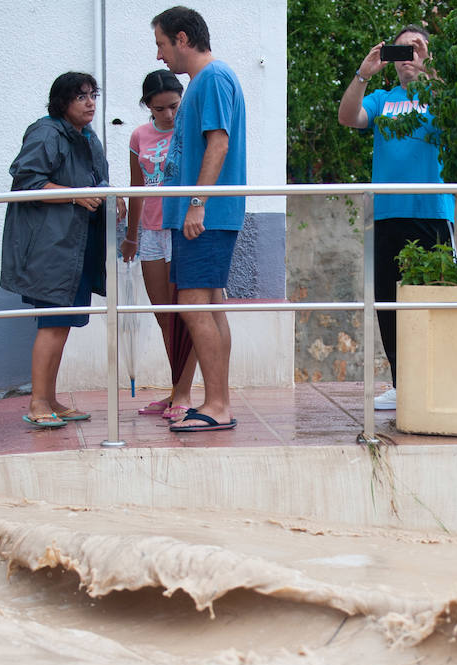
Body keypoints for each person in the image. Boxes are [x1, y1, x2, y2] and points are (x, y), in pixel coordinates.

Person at [337, 26, 455, 411]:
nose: (408, 55)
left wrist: (428, 68)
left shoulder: (439, 95)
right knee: (387, 302)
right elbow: (347, 116)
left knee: (435, 300)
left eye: (416, 48)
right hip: (386, 214)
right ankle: (401, 384)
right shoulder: (383, 99)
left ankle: (438, 382)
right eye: (402, 48)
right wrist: (363, 73)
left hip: (431, 213)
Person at [1, 71, 119, 428]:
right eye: (81, 97)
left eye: (92, 96)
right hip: (52, 247)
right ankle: (38, 402)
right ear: (62, 102)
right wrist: (75, 194)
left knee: (63, 323)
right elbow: (27, 180)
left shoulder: (87, 136)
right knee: (52, 323)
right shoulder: (46, 131)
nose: (90, 103)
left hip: (77, 245)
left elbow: (96, 180)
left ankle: (50, 398)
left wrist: (113, 196)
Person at [152, 6, 247, 433]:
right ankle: (217, 400)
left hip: (205, 216)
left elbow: (219, 144)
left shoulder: (211, 78)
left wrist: (196, 202)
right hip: (205, 214)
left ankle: (217, 404)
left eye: (162, 44)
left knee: (193, 305)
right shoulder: (204, 81)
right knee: (209, 305)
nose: (160, 56)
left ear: (183, 38)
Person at [121, 69, 197, 422]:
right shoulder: (139, 136)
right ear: (147, 107)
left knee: (189, 315)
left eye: (174, 106)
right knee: (164, 317)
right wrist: (130, 235)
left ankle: (184, 393)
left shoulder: (191, 130)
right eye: (159, 108)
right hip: (150, 232)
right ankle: (173, 391)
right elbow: (136, 188)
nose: (168, 115)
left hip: (181, 228)